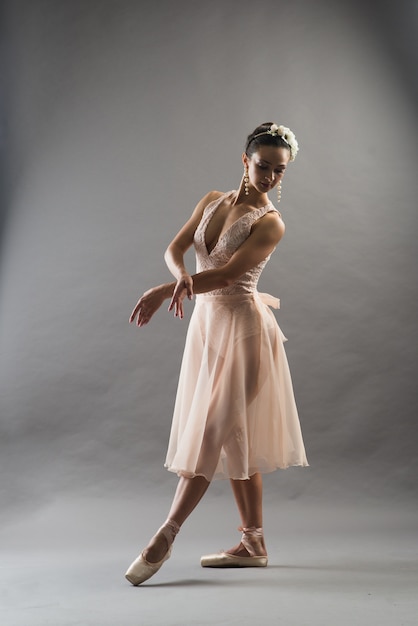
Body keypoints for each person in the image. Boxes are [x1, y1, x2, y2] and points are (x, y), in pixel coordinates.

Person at [125, 122, 308, 585]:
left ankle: (165, 534)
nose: (269, 177)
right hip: (207, 327)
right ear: (245, 161)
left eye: (279, 171)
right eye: (262, 165)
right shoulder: (211, 200)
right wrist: (181, 276)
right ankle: (254, 542)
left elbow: (227, 276)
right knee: (232, 436)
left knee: (212, 428)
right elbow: (176, 247)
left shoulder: (271, 222)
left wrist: (168, 289)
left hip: (245, 330)